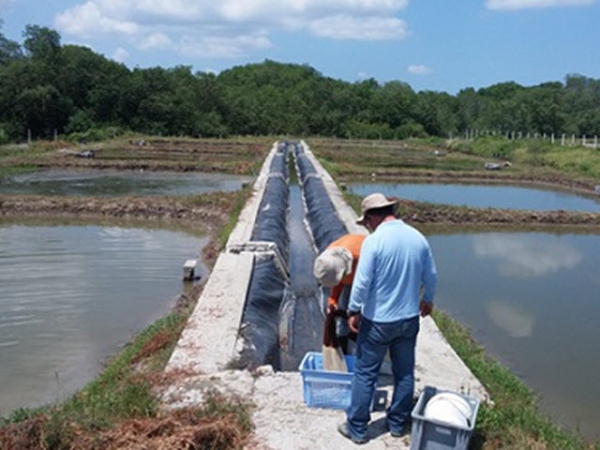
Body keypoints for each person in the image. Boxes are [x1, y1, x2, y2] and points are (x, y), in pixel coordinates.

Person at [337, 193, 437, 445]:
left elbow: (362, 282)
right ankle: (396, 424)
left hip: (378, 322)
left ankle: (357, 428)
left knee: (365, 373)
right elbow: (431, 275)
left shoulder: (375, 241)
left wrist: (353, 310)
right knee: (404, 373)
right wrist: (428, 300)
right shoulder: (418, 238)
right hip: (408, 319)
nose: (367, 225)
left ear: (373, 216)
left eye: (367, 221)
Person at [313, 234, 366, 354]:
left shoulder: (362, 257)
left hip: (370, 280)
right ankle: (342, 350)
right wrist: (333, 301)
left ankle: (359, 352)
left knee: (360, 322)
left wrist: (356, 312)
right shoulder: (330, 258)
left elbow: (368, 288)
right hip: (350, 272)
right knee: (343, 315)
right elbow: (338, 279)